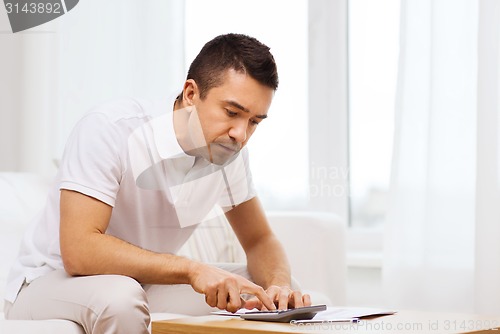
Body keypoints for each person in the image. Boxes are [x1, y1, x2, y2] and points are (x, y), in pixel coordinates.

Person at [3, 33, 311, 333]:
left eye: (255, 121)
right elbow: (79, 250)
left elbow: (259, 240)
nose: (241, 134)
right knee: (120, 297)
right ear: (191, 94)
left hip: (141, 283)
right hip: (49, 282)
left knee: (271, 296)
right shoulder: (109, 129)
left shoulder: (228, 153)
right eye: (232, 112)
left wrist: (279, 287)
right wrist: (193, 269)